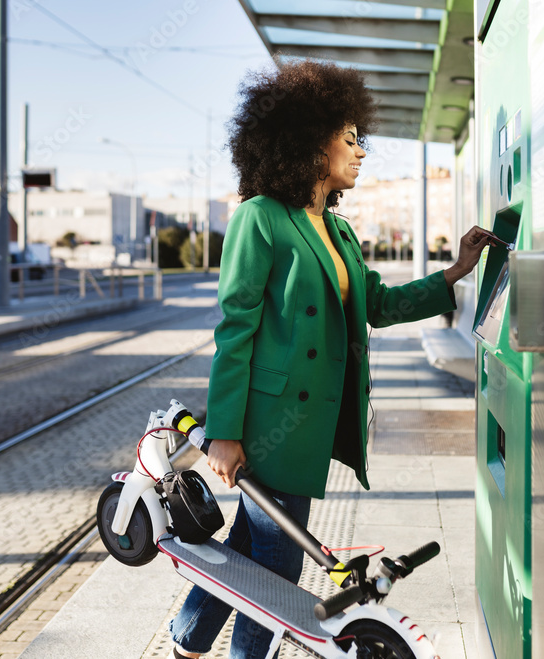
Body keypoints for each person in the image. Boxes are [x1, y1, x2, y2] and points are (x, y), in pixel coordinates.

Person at [168, 59, 493, 659]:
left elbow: (379, 304)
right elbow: (235, 330)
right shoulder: (260, 217)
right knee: (276, 571)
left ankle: (187, 636)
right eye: (350, 139)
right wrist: (225, 433)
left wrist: (455, 272)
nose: (361, 151)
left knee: (254, 543)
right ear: (306, 142)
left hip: (309, 423)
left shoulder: (337, 231)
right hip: (269, 425)